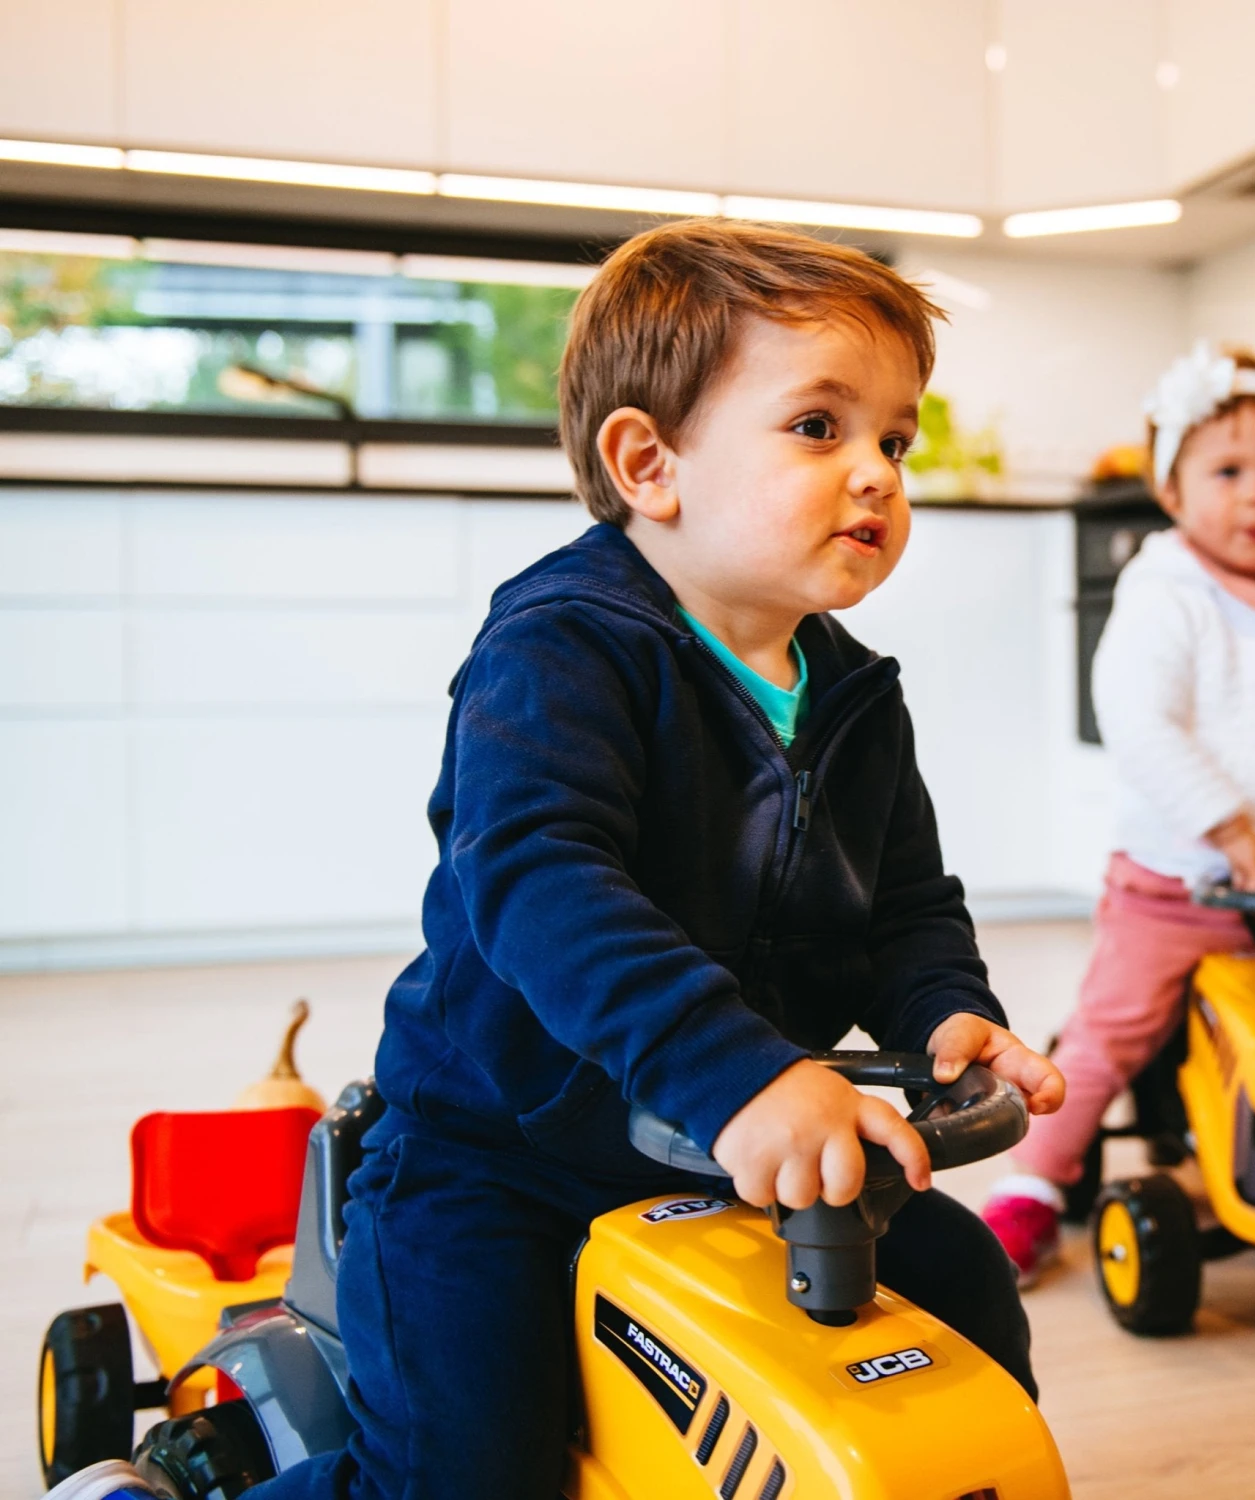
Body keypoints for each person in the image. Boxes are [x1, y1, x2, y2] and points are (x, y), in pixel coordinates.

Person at [213, 220, 1061, 1500]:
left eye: (897, 438)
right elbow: (541, 882)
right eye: (820, 428)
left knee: (960, 1285)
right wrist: (736, 1076)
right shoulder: (561, 650)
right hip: (498, 1156)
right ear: (649, 462)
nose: (880, 473)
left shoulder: (855, 696)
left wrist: (946, 1009)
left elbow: (904, 905)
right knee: (464, 1470)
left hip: (732, 1148)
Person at [982, 341, 1255, 1285]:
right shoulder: (1162, 592)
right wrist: (1231, 829)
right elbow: (1141, 721)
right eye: (1228, 472)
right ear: (1172, 491)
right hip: (1173, 884)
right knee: (1110, 1033)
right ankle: (1035, 1188)